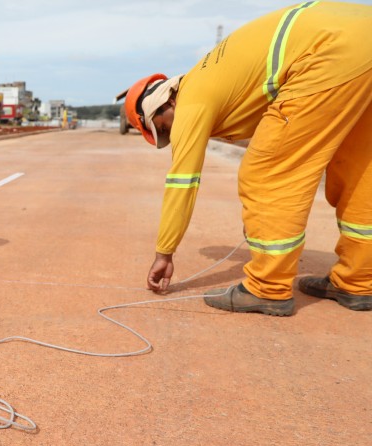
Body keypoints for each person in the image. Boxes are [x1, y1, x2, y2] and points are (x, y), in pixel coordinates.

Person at [124, 1, 372, 316]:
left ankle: (267, 288)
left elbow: (182, 182)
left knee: (267, 174)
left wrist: (164, 253)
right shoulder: (214, 79)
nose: (172, 134)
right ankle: (358, 280)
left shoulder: (190, 99)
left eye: (163, 128)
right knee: (358, 171)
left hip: (329, 51)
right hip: (360, 35)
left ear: (165, 103)